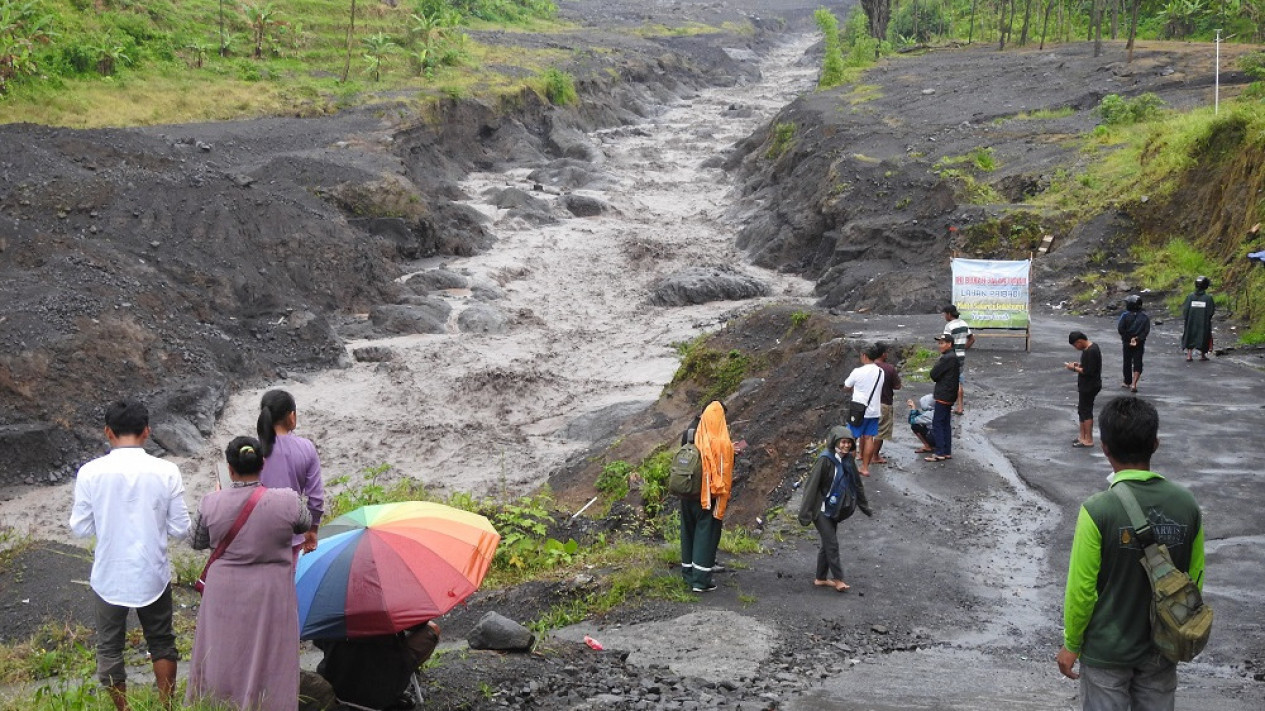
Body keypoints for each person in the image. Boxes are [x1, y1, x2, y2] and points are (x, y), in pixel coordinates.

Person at [1057, 396, 1205, 710]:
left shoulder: (1097, 510)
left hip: (1106, 651)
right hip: (1162, 646)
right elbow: (1195, 578)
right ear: (1155, 444)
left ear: (1104, 447)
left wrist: (1072, 644)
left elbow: (1082, 591)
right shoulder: (1187, 505)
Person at [68, 399, 191, 711]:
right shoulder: (167, 471)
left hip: (110, 574)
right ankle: (167, 706)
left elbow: (80, 528)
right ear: (146, 432)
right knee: (162, 642)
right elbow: (180, 528)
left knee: (109, 647)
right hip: (153, 571)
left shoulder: (90, 473)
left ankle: (123, 709)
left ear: (108, 432)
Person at [186, 436, 312, 711]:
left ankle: (219, 704)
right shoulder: (287, 500)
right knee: (272, 653)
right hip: (272, 590)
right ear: (262, 464)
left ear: (229, 469)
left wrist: (219, 495)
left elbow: (195, 540)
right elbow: (304, 522)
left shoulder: (211, 502)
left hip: (223, 590)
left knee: (220, 651)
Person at [797, 426, 872, 592]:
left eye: (849, 443)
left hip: (835, 509)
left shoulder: (848, 460)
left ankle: (820, 578)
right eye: (843, 442)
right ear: (835, 442)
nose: (846, 446)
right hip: (821, 509)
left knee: (827, 543)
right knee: (832, 543)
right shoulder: (824, 460)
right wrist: (805, 514)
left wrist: (864, 506)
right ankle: (838, 579)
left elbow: (856, 484)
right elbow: (811, 487)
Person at [256, 389, 325, 559]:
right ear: (291, 416)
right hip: (290, 537)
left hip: (255, 535)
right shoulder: (306, 448)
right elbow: (316, 499)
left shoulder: (252, 449)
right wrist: (312, 529)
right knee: (286, 583)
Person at [316, 621, 441, 710]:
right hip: (382, 691)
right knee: (432, 629)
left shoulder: (331, 604)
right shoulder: (386, 596)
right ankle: (395, 692)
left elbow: (318, 641)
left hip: (336, 687)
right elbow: (418, 623)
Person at [680, 400, 734, 593]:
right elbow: (723, 471)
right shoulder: (720, 441)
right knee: (706, 534)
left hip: (686, 492)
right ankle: (701, 580)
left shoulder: (690, 433)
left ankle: (688, 574)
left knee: (688, 533)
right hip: (707, 496)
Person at [842, 348, 885, 476]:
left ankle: (850, 467)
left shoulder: (857, 372)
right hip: (874, 410)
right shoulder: (880, 372)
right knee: (869, 438)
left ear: (865, 356)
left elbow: (846, 386)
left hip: (858, 411)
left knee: (852, 438)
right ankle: (865, 468)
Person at [926, 335, 959, 462]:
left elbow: (933, 374)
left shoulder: (947, 358)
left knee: (938, 423)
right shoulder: (954, 357)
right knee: (945, 423)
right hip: (950, 394)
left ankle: (939, 451)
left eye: (942, 343)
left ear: (949, 344)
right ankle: (946, 451)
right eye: (939, 343)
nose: (940, 345)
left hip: (943, 394)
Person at [1066, 331, 1102, 449]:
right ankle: (1082, 436)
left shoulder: (1091, 351)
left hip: (1090, 385)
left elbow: (1089, 371)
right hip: (1086, 385)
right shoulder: (1088, 349)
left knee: (1086, 411)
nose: (1076, 348)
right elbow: (1088, 366)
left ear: (1080, 341)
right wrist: (1078, 365)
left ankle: (1089, 439)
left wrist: (1074, 368)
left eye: (1075, 345)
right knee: (1082, 410)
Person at [871, 342, 902, 465]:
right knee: (881, 431)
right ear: (883, 354)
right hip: (884, 403)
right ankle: (875, 456)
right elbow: (897, 386)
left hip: (868, 404)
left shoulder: (868, 368)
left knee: (867, 431)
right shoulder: (889, 369)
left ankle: (862, 454)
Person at [941, 304, 975, 415]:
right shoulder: (964, 324)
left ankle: (947, 404)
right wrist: (963, 348)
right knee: (959, 381)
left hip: (951, 357)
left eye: (945, 314)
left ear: (949, 314)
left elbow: (946, 342)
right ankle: (960, 407)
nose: (944, 316)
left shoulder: (949, 326)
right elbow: (972, 339)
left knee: (948, 381)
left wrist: (944, 354)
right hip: (961, 356)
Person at [1117, 294, 1150, 393]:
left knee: (1127, 362)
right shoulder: (1144, 317)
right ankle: (1134, 383)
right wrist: (1137, 339)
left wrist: (1129, 339)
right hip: (1139, 343)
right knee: (1138, 362)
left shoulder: (1125, 316)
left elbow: (1121, 329)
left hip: (1127, 342)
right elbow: (1146, 331)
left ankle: (1127, 381)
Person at [1180, 276, 1216, 362]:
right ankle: (1202, 355)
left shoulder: (1190, 296)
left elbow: (1185, 310)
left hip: (1191, 322)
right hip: (1203, 322)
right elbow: (1211, 311)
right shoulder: (1208, 298)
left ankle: (1189, 355)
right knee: (1203, 336)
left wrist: (1187, 319)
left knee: (1190, 335)